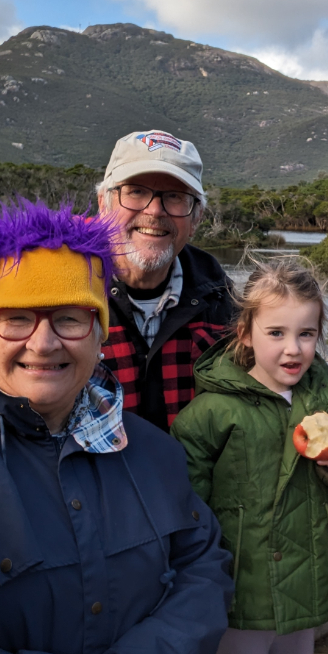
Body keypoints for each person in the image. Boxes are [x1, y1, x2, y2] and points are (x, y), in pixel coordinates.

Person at [0, 197, 233, 654]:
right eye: (16, 318)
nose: (43, 343)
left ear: (100, 332)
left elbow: (203, 568)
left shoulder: (154, 451)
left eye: (71, 318)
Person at [172, 258, 328, 654]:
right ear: (246, 333)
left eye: (306, 334)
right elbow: (187, 498)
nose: (293, 348)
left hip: (308, 578)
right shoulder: (211, 411)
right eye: (276, 333)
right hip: (241, 582)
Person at [97, 130, 234, 431]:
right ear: (103, 204)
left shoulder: (227, 308)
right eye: (135, 191)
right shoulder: (59, 293)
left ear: (196, 218)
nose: (154, 210)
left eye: (175, 197)